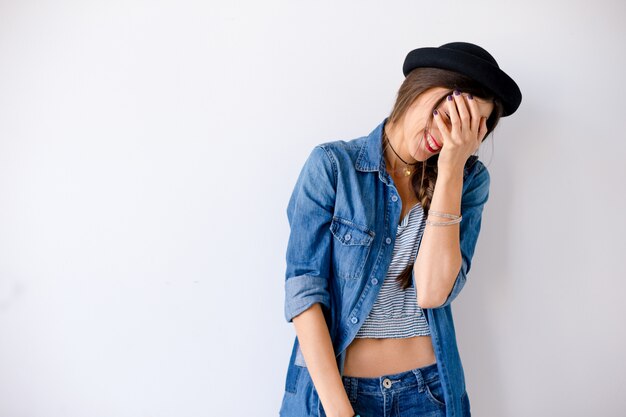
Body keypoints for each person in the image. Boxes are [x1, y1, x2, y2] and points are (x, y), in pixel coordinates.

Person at [279, 42, 522, 417]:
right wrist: (339, 411)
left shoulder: (468, 182)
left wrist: (453, 167)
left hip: (429, 395)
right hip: (334, 395)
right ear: (420, 86)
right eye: (450, 114)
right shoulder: (332, 167)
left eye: (470, 128)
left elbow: (432, 292)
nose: (448, 135)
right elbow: (304, 294)